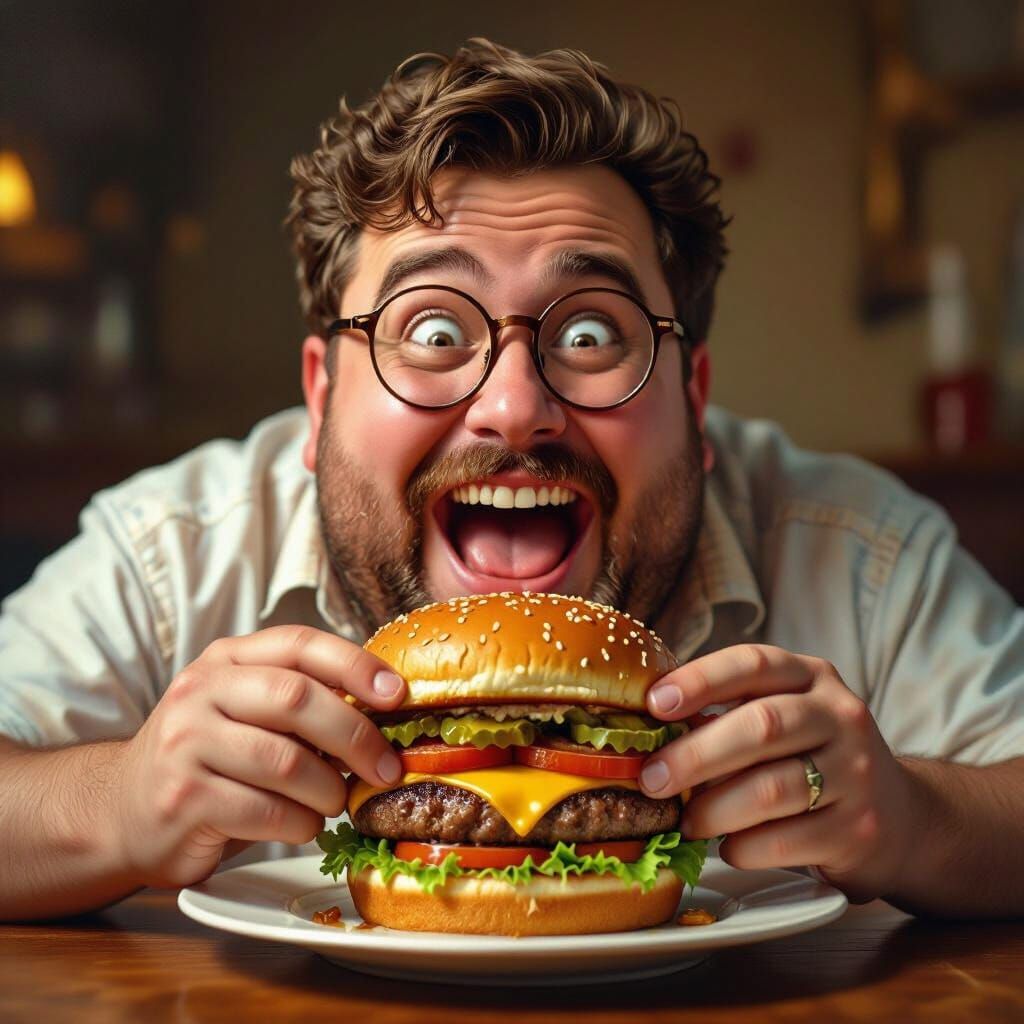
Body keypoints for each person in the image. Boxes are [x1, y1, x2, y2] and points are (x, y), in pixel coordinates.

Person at [1, 38, 1021, 922]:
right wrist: (117, 802)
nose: (514, 406)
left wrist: (922, 819)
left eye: (591, 332)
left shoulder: (857, 551)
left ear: (694, 400)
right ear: (318, 400)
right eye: (434, 331)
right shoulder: (175, 547)